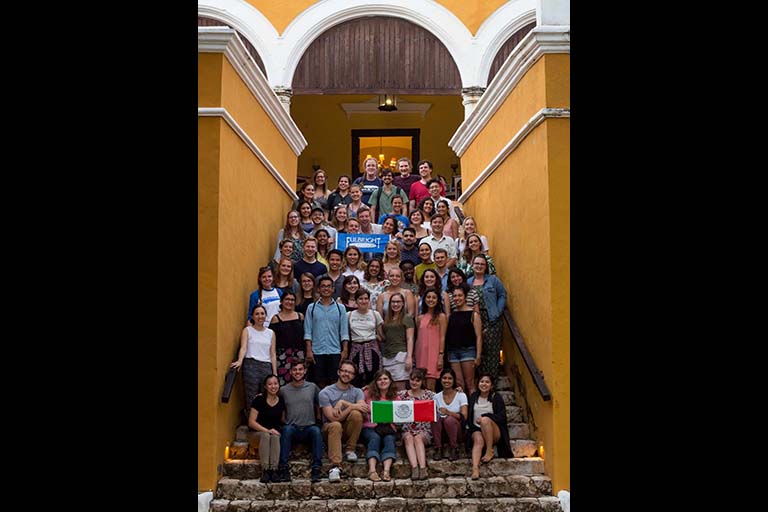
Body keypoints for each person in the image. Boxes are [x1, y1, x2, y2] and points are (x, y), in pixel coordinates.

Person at [319, 360, 367, 482]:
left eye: (350, 372)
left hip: (347, 430)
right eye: (344, 371)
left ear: (354, 376)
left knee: (356, 414)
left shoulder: (357, 391)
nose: (347, 374)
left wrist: (343, 403)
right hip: (330, 431)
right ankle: (335, 466)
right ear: (338, 372)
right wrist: (351, 406)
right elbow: (332, 418)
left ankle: (350, 449)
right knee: (335, 424)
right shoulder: (325, 392)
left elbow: (363, 408)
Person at [276, 361, 323, 483]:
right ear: (291, 372)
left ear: (305, 371)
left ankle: (316, 468)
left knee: (317, 431)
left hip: (309, 426)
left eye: (300, 369)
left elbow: (319, 404)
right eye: (295, 369)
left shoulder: (312, 387)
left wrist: (318, 418)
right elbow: (278, 405)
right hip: (292, 427)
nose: (298, 372)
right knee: (286, 430)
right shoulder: (283, 390)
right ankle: (283, 468)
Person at [305, 275, 350, 389]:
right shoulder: (312, 307)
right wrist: (309, 350)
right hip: (317, 351)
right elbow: (308, 331)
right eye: (323, 286)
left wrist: (344, 350)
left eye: (329, 286)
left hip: (335, 350)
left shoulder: (340, 308)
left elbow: (344, 331)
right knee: (318, 382)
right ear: (318, 289)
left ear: (333, 289)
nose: (326, 289)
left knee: (335, 382)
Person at [231, 305, 278, 416]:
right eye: (257, 314)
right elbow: (244, 347)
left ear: (266, 316)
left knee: (266, 394)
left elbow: (273, 354)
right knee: (251, 394)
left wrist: (274, 372)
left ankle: (264, 421)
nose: (260, 316)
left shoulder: (271, 333)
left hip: (266, 365)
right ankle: (250, 421)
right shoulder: (247, 330)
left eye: (262, 313)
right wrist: (240, 360)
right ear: (252, 316)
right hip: (251, 364)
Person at [466, 372, 513, 480]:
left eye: (487, 382)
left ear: (491, 385)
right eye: (482, 381)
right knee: (478, 440)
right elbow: (469, 416)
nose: (484, 384)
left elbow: (502, 418)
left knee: (485, 420)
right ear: (478, 383)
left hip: (493, 431)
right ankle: (475, 469)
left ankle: (489, 450)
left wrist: (485, 416)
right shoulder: (473, 397)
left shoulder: (496, 397)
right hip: (476, 429)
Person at [467, 254, 507, 381]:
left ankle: (491, 382)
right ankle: (479, 381)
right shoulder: (468, 282)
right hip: (475, 319)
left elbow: (502, 295)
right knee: (478, 350)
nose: (479, 266)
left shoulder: (493, 280)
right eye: (476, 264)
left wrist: (498, 310)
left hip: (492, 319)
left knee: (491, 351)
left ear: (486, 266)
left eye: (482, 264)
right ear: (472, 265)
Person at [360, 369, 398, 481]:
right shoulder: (367, 393)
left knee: (390, 439)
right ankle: (372, 470)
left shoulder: (396, 396)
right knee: (374, 437)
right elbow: (360, 403)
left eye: (385, 378)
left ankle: (386, 471)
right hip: (370, 426)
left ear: (390, 381)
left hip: (388, 428)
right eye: (379, 379)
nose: (382, 381)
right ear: (375, 382)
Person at [397, 368, 435, 480]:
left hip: (424, 431)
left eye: (417, 380)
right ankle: (414, 468)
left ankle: (423, 468)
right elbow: (386, 394)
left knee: (418, 438)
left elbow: (444, 396)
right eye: (412, 380)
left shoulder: (429, 395)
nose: (414, 383)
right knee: (409, 438)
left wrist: (458, 390)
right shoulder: (402, 395)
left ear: (422, 381)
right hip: (407, 430)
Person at [445, 283, 482, 396]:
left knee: (470, 384)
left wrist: (478, 356)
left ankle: (472, 411)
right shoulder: (451, 315)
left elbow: (479, 336)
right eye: (455, 296)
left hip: (468, 351)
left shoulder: (473, 314)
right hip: (453, 352)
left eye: (460, 296)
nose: (457, 298)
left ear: (465, 297)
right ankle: (463, 412)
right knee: (459, 385)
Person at [248, 374, 285, 482]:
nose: (273, 386)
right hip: (257, 433)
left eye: (275, 383)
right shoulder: (259, 399)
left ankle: (273, 470)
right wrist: (267, 430)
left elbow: (283, 419)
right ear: (265, 386)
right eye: (270, 384)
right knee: (266, 435)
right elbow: (251, 422)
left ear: (278, 385)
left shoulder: (281, 401)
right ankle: (265, 470)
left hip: (273, 434)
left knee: (275, 436)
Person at [378, 290, 415, 392]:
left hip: (400, 356)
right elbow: (384, 338)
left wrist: (409, 357)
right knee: (388, 388)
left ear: (403, 303)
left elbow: (410, 338)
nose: (395, 304)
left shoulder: (407, 318)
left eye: (398, 302)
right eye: (393, 302)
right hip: (387, 356)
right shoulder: (387, 319)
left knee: (400, 389)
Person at [347, 289, 384, 388]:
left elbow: (381, 335)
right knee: (355, 377)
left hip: (372, 349)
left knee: (373, 378)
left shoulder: (375, 314)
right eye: (360, 299)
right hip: (356, 349)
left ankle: (373, 401)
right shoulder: (349, 315)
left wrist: (378, 337)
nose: (363, 301)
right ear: (355, 301)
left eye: (366, 298)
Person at [431, 368, 467, 461]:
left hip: (457, 430)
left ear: (454, 380)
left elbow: (464, 416)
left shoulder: (461, 395)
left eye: (450, 378)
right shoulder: (436, 396)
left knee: (449, 420)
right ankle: (438, 448)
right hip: (442, 431)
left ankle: (454, 448)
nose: (447, 381)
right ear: (441, 379)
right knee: (435, 418)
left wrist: (448, 413)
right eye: (444, 378)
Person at [269, 292, 305, 386]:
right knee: (283, 381)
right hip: (282, 355)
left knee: (299, 379)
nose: (290, 302)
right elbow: (272, 340)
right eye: (287, 299)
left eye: (292, 300)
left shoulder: (300, 316)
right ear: (281, 301)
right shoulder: (275, 319)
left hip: (299, 353)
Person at [415, 289, 447, 391]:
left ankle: (431, 406)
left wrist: (441, 355)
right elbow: (418, 338)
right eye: (428, 297)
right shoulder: (420, 318)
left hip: (434, 354)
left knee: (431, 386)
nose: (431, 300)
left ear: (438, 300)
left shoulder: (441, 317)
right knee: (421, 385)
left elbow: (442, 337)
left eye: (434, 297)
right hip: (421, 355)